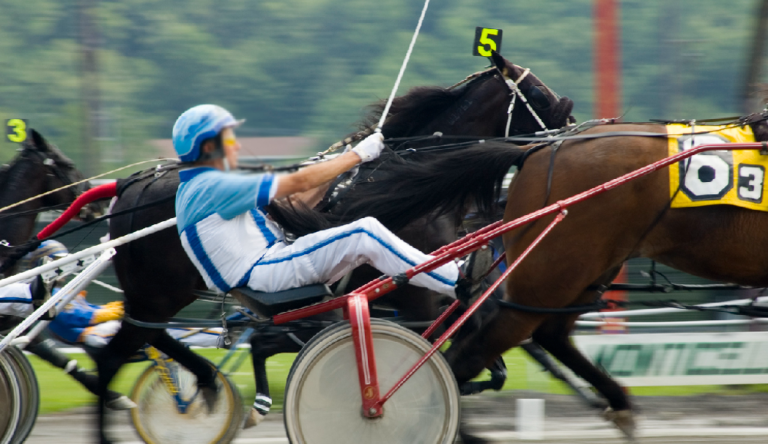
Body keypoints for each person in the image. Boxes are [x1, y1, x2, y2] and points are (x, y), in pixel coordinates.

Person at [173, 104, 473, 426]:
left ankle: (446, 274)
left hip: (265, 269)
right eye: (229, 137)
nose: (235, 144)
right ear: (209, 146)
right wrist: (356, 155)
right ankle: (459, 281)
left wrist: (342, 167)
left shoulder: (199, 187)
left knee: (361, 241)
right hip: (265, 273)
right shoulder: (213, 186)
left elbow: (296, 202)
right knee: (364, 233)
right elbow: (298, 182)